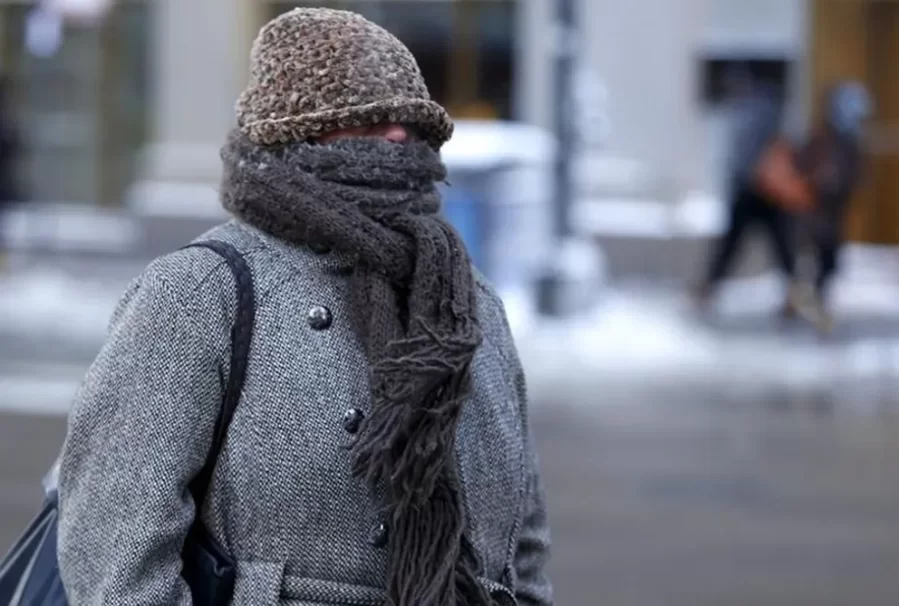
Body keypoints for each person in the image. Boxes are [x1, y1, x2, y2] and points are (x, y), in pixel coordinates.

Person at [56, 8, 553, 606]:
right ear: (296, 135)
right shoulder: (198, 293)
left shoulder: (464, 299)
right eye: (368, 118)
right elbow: (113, 549)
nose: (398, 135)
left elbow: (523, 541)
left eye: (410, 122)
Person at [695, 70, 799, 314]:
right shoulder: (766, 110)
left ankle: (709, 288)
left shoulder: (754, 112)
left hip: (756, 189)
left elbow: (748, 155)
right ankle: (794, 293)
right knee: (776, 245)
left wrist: (745, 177)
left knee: (741, 243)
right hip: (761, 189)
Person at [796, 81, 870, 333]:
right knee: (821, 261)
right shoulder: (826, 139)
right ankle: (811, 304)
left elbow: (854, 178)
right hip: (817, 214)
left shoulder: (848, 142)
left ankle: (812, 303)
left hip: (831, 215)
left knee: (829, 263)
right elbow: (804, 166)